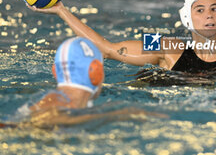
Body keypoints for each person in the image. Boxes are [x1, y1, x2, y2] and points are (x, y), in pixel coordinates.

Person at [27, 0, 216, 73]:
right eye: (200, 10)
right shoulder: (166, 45)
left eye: (214, 9)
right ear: (187, 18)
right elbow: (105, 49)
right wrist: (61, 10)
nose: (209, 15)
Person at [1, 37, 166, 129]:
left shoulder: (64, 102)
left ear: (55, 72)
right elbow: (43, 120)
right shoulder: (55, 101)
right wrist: (113, 116)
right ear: (97, 73)